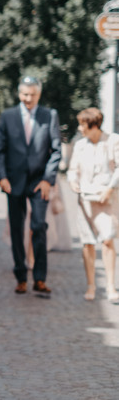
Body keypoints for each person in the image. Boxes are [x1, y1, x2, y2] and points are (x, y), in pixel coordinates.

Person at [0, 76, 61, 295]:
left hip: (39, 182)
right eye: (25, 94)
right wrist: (2, 177)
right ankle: (21, 276)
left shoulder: (49, 115)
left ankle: (40, 278)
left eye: (32, 95)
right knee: (16, 228)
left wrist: (48, 179)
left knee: (39, 226)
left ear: (39, 94)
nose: (28, 99)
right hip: (13, 182)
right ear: (19, 93)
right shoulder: (8, 116)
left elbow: (56, 151)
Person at [67, 107, 119, 302]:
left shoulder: (113, 141)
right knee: (87, 242)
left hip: (106, 199)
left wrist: (110, 188)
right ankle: (91, 285)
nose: (80, 128)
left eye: (83, 125)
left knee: (107, 239)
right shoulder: (80, 145)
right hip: (86, 200)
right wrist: (73, 182)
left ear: (94, 125)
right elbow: (73, 170)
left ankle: (111, 285)